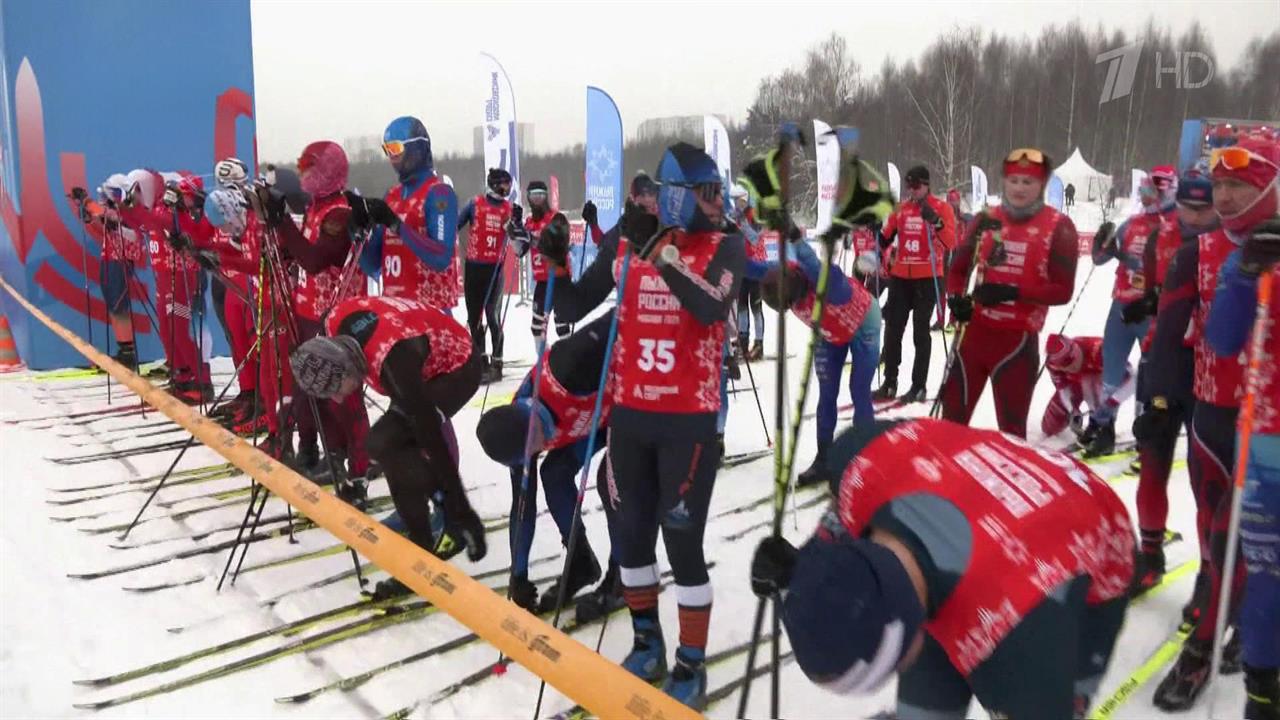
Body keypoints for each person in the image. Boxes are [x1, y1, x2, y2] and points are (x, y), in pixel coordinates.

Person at [750, 418, 1134, 720]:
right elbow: (841, 529)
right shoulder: (861, 465)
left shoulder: (1018, 633)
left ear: (909, 640)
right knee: (929, 695)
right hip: (985, 498)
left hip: (1089, 532)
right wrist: (804, 565)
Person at [542, 143, 744, 709]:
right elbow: (573, 305)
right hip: (630, 420)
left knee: (683, 548)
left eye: (716, 192)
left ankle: (691, 661)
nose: (714, 202)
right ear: (674, 194)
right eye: (703, 193)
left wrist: (665, 257)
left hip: (688, 425)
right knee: (631, 542)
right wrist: (558, 262)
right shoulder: (630, 239)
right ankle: (647, 642)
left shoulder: (725, 244)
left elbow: (709, 308)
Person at [1143, 137, 1278, 711]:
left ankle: (1199, 651)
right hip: (1209, 415)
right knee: (1212, 532)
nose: (1224, 197)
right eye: (1219, 185)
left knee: (1234, 543)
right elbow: (1173, 330)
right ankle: (1241, 619)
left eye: (1238, 187)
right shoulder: (1197, 251)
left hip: (1265, 431)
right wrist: (1159, 399)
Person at [291, 295, 488, 597]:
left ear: (347, 369)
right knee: (388, 446)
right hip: (417, 345)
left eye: (336, 389)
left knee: (386, 440)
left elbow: (432, 439)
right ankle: (421, 549)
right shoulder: (333, 328)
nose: (338, 399)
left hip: (457, 368)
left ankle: (446, 523)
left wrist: (462, 508)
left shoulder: (393, 360)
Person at [475, 304, 615, 613]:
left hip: (626, 403)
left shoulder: (569, 365)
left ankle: (620, 575)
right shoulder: (515, 442)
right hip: (593, 422)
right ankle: (581, 560)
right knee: (554, 474)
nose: (535, 453)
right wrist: (518, 573)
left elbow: (619, 315)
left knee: (613, 485)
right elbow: (522, 506)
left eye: (533, 445)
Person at [1203, 200, 1280, 720]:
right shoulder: (1258, 248)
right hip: (1267, 443)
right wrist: (1244, 273)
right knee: (1269, 576)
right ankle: (1262, 695)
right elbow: (1222, 338)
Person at [942, 148, 1079, 438]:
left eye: (1028, 182)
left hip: (1016, 343)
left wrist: (1013, 292)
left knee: (1012, 434)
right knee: (949, 427)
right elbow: (957, 270)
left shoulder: (1060, 227)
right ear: (1004, 181)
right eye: (1014, 180)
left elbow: (1062, 290)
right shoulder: (985, 219)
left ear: (1041, 185)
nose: (1019, 188)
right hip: (973, 337)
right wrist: (956, 299)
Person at [1124, 171, 1216, 597]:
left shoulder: (1234, 247)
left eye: (1204, 209)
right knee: (1153, 462)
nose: (1195, 217)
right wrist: (1143, 303)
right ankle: (1150, 554)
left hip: (1212, 371)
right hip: (1162, 361)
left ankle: (1210, 574)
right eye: (1188, 208)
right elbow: (1148, 287)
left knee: (1206, 483)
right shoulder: (1159, 236)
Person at [267, 141, 371, 485]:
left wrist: (282, 222)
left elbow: (314, 261)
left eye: (308, 168)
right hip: (308, 309)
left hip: (334, 314)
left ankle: (347, 456)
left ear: (326, 172)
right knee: (307, 386)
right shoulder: (316, 207)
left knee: (336, 393)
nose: (303, 176)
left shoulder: (339, 213)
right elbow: (299, 252)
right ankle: (313, 450)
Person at [753, 234, 880, 488]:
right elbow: (749, 266)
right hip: (829, 332)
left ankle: (865, 460)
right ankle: (824, 459)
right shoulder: (781, 274)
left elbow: (810, 260)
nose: (794, 308)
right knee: (827, 395)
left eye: (792, 303)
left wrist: (798, 239)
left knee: (859, 391)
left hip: (862, 324)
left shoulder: (829, 284)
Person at [1086, 165, 1179, 456]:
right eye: (1145, 189)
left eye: (1155, 189)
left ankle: (1146, 433)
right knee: (1111, 369)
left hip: (1154, 310)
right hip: (1122, 307)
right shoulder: (1133, 222)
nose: (1148, 195)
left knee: (1150, 376)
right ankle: (1104, 426)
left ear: (1170, 189)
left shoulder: (1178, 224)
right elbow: (1103, 258)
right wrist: (1099, 245)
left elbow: (1177, 270)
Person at [200, 186, 295, 455]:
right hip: (261, 303)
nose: (227, 230)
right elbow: (238, 253)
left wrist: (219, 259)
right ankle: (275, 432)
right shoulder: (245, 227)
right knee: (265, 375)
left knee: (277, 376)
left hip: (279, 306)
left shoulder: (259, 225)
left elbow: (255, 264)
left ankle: (284, 437)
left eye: (227, 224)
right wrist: (208, 253)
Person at [117, 168, 212, 402]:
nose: (138, 196)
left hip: (180, 275)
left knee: (179, 329)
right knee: (167, 329)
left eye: (139, 190)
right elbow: (141, 224)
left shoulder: (168, 207)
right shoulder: (153, 208)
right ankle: (181, 374)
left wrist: (135, 208)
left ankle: (202, 381)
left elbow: (161, 221)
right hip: (163, 276)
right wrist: (124, 207)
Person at [358, 116, 461, 315]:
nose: (391, 156)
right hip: (395, 314)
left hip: (430, 313)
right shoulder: (392, 195)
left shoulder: (439, 193)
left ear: (417, 148)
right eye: (386, 149)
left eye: (395, 148)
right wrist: (358, 235)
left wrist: (397, 225)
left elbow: (441, 257)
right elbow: (373, 267)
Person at [877, 165, 957, 403]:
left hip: (927, 276)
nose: (913, 191)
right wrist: (875, 231)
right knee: (893, 329)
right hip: (901, 277)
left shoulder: (941, 207)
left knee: (920, 331)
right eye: (909, 186)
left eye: (917, 186)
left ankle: (918, 386)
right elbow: (886, 237)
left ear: (927, 185)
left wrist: (937, 222)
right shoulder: (901, 209)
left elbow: (951, 241)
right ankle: (889, 382)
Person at [457, 168, 513, 383]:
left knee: (493, 316)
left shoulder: (508, 209)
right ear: (494, 183)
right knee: (474, 318)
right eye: (504, 184)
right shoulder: (475, 203)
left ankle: (497, 362)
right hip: (473, 267)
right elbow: (455, 224)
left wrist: (515, 227)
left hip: (494, 269)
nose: (506, 189)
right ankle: (481, 362)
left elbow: (518, 238)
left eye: (509, 185)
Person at [512, 180, 570, 355]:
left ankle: (568, 360)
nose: (537, 200)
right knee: (537, 327)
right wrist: (514, 230)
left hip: (559, 278)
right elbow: (520, 251)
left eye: (541, 196)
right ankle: (542, 362)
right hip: (541, 282)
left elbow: (557, 244)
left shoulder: (557, 218)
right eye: (533, 196)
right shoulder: (529, 222)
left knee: (562, 325)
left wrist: (530, 237)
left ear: (546, 197)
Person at [1040, 334, 1132, 443]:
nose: (1071, 368)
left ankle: (1102, 428)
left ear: (1076, 351)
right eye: (1064, 367)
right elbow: (1063, 389)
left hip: (1103, 379)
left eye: (1072, 361)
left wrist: (1111, 403)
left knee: (1096, 394)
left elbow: (1131, 378)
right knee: (1049, 428)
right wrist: (1072, 410)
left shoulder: (1102, 351)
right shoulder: (1052, 364)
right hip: (1075, 384)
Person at [730, 184, 766, 361]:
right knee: (742, 306)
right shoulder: (736, 215)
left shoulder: (755, 215)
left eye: (739, 201)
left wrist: (742, 223)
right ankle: (742, 342)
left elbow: (755, 237)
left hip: (757, 266)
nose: (737, 205)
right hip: (742, 266)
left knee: (756, 307)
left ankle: (759, 344)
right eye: (734, 201)